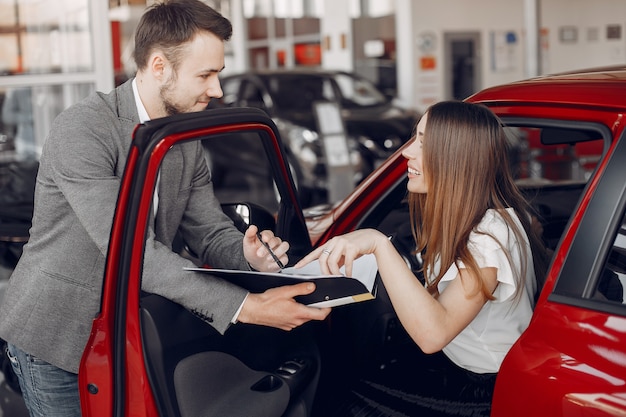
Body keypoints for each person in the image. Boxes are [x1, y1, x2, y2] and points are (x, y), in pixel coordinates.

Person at [0, 1, 330, 416]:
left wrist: (249, 254)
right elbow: (132, 253)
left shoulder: (182, 137)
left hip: (129, 328)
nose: (218, 90)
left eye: (218, 74)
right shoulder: (83, 128)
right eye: (205, 75)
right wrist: (248, 309)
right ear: (159, 66)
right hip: (58, 335)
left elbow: (209, 231)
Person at [296, 101, 549, 416]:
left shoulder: (488, 239)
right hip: (459, 365)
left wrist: (377, 244)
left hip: (483, 390)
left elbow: (432, 335)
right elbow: (436, 300)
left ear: (455, 158)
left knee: (340, 398)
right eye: (414, 137)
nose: (407, 152)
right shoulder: (473, 220)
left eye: (424, 143)